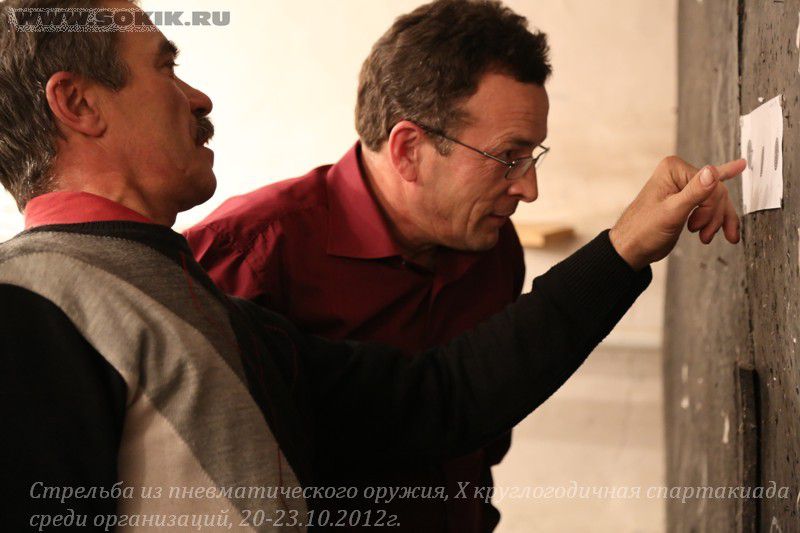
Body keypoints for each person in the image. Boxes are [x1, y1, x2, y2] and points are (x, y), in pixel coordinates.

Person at [0, 0, 743, 531]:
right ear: (78, 103)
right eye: (166, 65)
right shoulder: (29, 307)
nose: (199, 97)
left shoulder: (194, 302)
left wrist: (624, 246)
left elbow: (441, 398)